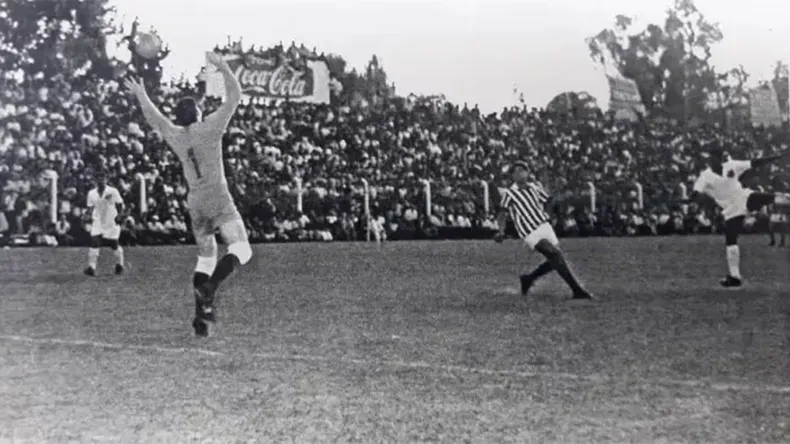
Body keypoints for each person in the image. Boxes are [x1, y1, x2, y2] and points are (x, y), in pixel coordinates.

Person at [125, 52, 252, 337]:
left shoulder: (177, 136)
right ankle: (210, 289)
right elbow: (235, 95)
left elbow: (155, 119)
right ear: (197, 113)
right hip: (218, 196)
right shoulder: (210, 127)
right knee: (241, 249)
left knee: (206, 257)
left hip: (195, 202)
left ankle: (200, 317)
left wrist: (141, 95)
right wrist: (223, 67)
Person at [494, 160, 593, 301]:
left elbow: (548, 201)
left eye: (523, 170)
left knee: (556, 259)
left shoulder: (534, 187)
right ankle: (577, 290)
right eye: (516, 171)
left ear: (527, 173)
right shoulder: (510, 194)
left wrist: (552, 206)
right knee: (555, 254)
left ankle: (529, 278)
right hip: (529, 231)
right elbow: (502, 214)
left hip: (544, 226)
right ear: (512, 176)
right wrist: (501, 231)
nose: (520, 173)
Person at [690, 148, 790, 287]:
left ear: (720, 159)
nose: (712, 162)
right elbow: (696, 191)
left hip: (743, 197)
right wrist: (694, 196)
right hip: (730, 209)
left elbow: (753, 163)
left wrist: (775, 156)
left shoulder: (732, 165)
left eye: (715, 159)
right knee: (731, 239)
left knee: (768, 197)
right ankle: (735, 277)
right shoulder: (705, 176)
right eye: (710, 159)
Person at [84, 171, 126, 276]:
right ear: (95, 180)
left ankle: (119, 265)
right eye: (99, 178)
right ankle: (91, 267)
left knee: (113, 244)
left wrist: (120, 215)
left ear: (106, 179)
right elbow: (90, 207)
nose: (101, 180)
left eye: (103, 178)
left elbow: (120, 204)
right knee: (94, 241)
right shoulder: (91, 193)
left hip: (111, 220)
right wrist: (87, 215)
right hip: (97, 220)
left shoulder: (113, 191)